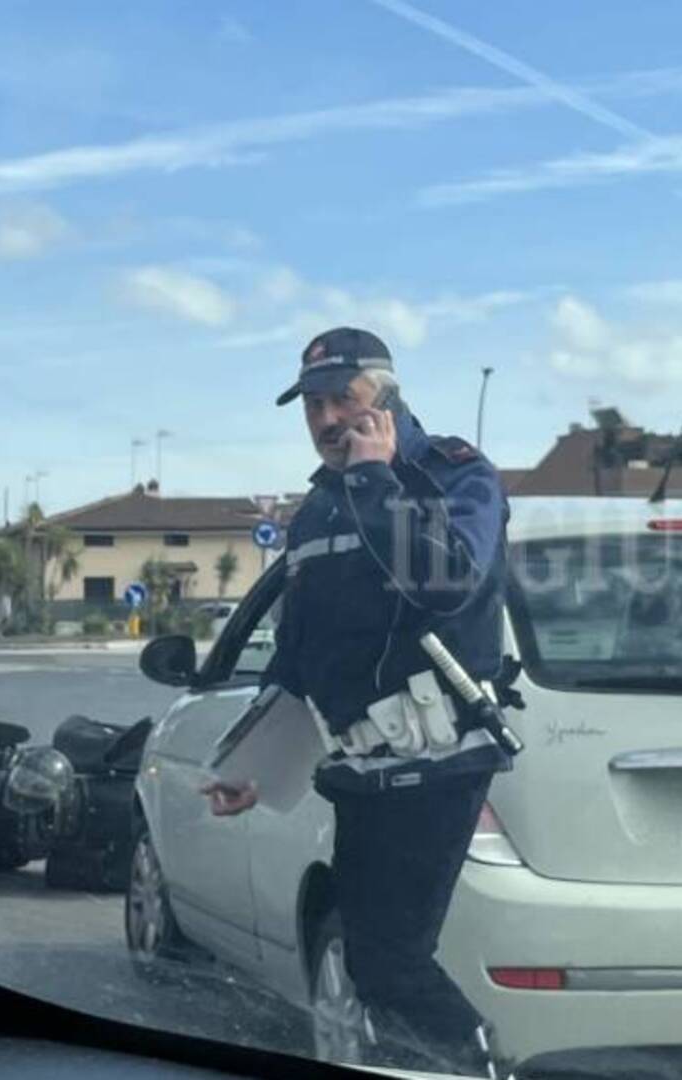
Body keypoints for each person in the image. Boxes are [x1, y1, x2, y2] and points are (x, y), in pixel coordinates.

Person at [199, 326, 511, 1073]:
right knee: (371, 965)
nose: (328, 418)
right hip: (362, 771)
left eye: (345, 397)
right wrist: (255, 764)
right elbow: (301, 656)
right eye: (313, 404)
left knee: (392, 961)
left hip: (438, 764)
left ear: (388, 398)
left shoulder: (457, 476)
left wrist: (376, 482)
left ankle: (479, 1069)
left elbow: (446, 586)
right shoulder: (316, 510)